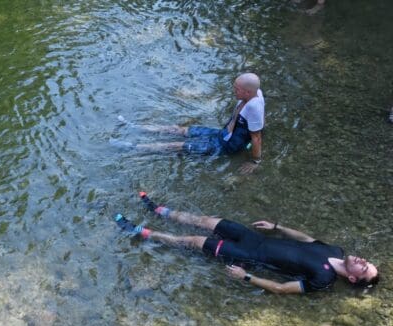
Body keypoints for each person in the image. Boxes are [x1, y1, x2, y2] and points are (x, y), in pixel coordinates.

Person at [114, 192, 379, 295]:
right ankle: (159, 210)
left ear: (354, 280)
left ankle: (140, 231)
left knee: (193, 240)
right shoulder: (336, 251)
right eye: (368, 262)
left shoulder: (323, 279)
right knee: (207, 221)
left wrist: (246, 277)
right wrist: (277, 227)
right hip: (256, 238)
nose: (363, 262)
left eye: (365, 269)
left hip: (248, 254)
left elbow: (280, 287)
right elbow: (305, 239)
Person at [125, 73, 265, 174]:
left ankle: (134, 147)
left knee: (177, 146)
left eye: (237, 89)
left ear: (247, 92)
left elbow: (256, 137)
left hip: (226, 145)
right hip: (221, 134)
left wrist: (255, 161)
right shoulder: (256, 91)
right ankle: (135, 127)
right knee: (181, 130)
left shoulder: (253, 107)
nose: (233, 91)